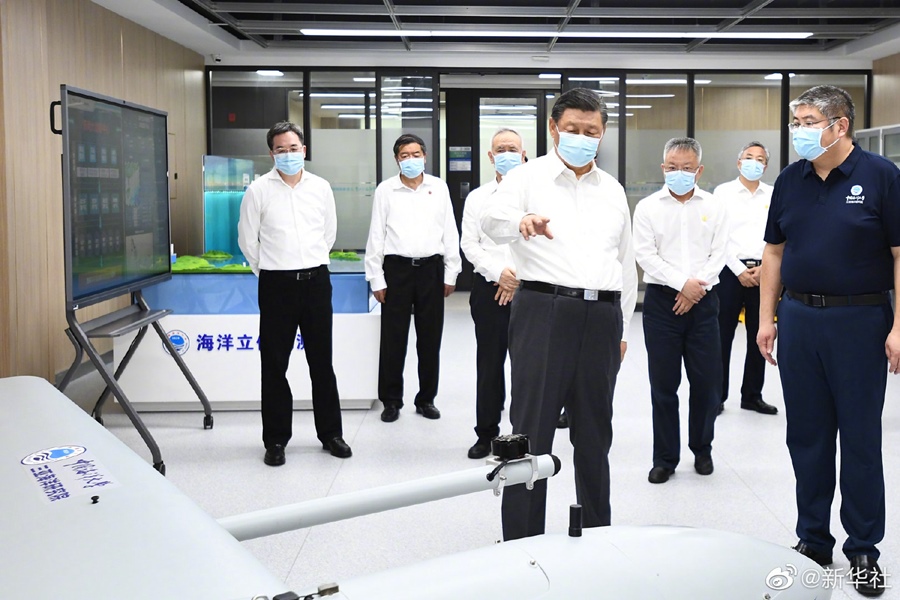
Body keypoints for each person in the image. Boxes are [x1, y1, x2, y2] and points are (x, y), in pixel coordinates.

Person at [757, 85, 900, 597]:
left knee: (859, 438)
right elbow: (774, 252)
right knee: (807, 436)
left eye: (808, 121)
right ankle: (814, 537)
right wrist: (767, 318)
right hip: (799, 319)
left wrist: (899, 327)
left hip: (860, 321)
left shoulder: (881, 176)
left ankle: (863, 548)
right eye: (796, 121)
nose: (798, 130)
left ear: (840, 126)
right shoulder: (790, 179)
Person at [481, 87, 638, 541]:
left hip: (602, 317)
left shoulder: (612, 189)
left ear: (603, 133)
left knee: (595, 435)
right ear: (553, 128)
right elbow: (489, 222)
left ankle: (597, 536)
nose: (582, 137)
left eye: (592, 131)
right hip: (544, 311)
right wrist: (520, 222)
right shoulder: (526, 178)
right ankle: (523, 542)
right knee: (531, 432)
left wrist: (623, 329)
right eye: (573, 128)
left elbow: (625, 264)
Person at [237, 121, 351, 466]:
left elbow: (328, 233)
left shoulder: (321, 187)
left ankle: (331, 434)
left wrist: (307, 264)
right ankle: (275, 440)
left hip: (316, 282)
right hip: (276, 285)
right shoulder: (258, 190)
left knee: (322, 363)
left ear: (304, 149)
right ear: (271, 153)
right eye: (280, 149)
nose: (288, 154)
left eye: (293, 148)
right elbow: (248, 240)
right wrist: (271, 271)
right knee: (274, 365)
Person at [633, 137, 727, 485]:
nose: (679, 173)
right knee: (663, 385)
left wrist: (695, 288)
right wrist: (681, 284)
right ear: (663, 168)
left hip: (704, 303)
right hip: (662, 304)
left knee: (706, 384)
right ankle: (665, 458)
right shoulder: (647, 208)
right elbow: (645, 255)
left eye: (687, 168)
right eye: (673, 167)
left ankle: (702, 449)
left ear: (699, 171)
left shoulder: (714, 206)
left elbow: (719, 253)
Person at [365, 133, 462, 423]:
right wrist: (376, 278)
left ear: (425, 156)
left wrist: (451, 272)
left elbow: (449, 231)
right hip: (396, 270)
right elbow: (376, 235)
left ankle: (426, 399)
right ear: (397, 159)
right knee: (393, 339)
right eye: (405, 155)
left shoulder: (438, 187)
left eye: (416, 154)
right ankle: (391, 400)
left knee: (430, 338)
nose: (411, 160)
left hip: (431, 270)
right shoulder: (386, 190)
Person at [460, 128, 524, 459]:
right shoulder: (478, 197)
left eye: (513, 148)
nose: (507, 154)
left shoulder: (535, 195)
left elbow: (542, 240)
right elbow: (469, 244)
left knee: (528, 366)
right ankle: (486, 433)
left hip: (528, 290)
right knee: (489, 364)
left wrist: (516, 278)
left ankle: (525, 431)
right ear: (490, 156)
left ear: (523, 154)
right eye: (501, 149)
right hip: (489, 289)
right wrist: (499, 274)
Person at [713, 142, 778, 416]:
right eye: (749, 157)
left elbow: (777, 236)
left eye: (760, 159)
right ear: (739, 162)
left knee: (759, 334)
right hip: (729, 272)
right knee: (722, 334)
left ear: (766, 166)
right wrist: (738, 269)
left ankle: (752, 395)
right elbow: (717, 236)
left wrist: (765, 268)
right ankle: (717, 396)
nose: (754, 162)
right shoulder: (723, 193)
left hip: (765, 272)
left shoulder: (773, 194)